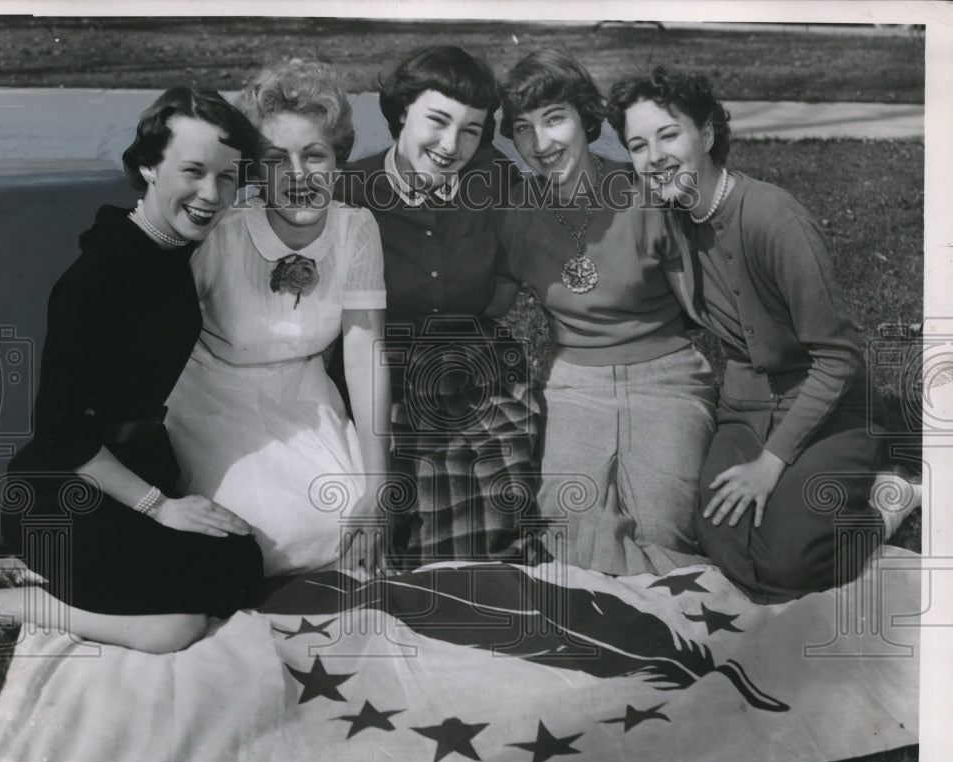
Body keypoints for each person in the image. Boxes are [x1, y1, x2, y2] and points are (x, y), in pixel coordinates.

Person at [607, 66, 922, 602]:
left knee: (789, 564)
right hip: (745, 407)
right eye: (638, 145)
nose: (653, 156)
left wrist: (770, 463)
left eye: (668, 135)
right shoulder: (673, 217)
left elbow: (840, 358)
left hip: (831, 406)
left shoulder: (774, 218)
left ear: (705, 135)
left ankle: (889, 499)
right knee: (723, 543)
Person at [0, 87, 265, 653]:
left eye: (228, 177)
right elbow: (61, 434)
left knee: (240, 559)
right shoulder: (98, 276)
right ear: (147, 166)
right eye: (193, 171)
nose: (212, 194)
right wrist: (159, 508)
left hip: (133, 469)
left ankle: (39, 577)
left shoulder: (164, 251)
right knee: (178, 623)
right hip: (61, 492)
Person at [164, 58, 390, 576]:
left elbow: (365, 356)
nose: (298, 177)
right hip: (212, 396)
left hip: (304, 393)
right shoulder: (220, 230)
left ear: (339, 158)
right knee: (265, 538)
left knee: (351, 522)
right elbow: (151, 332)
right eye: (275, 159)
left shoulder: (357, 229)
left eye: (314, 155)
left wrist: (380, 487)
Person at [494, 51, 716, 575]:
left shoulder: (646, 194)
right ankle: (628, 593)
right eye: (523, 129)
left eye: (555, 119)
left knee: (667, 532)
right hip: (573, 382)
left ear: (586, 120)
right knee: (565, 530)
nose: (541, 144)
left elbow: (705, 311)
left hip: (668, 377)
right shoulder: (512, 213)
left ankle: (639, 597)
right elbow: (485, 305)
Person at [336, 45, 546, 569]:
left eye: (471, 129)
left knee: (506, 497)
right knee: (407, 515)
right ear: (402, 110)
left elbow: (511, 275)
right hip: (383, 372)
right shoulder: (351, 193)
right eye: (437, 120)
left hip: (476, 363)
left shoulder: (495, 180)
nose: (451, 145)